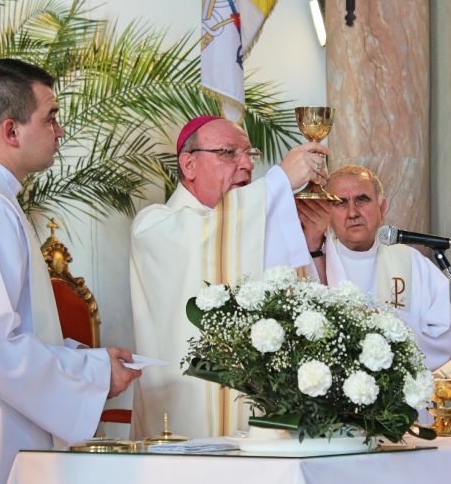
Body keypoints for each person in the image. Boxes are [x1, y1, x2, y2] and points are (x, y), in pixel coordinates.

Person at [0, 59, 141, 484]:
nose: (60, 130)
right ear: (11, 131)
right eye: (50, 117)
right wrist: (92, 373)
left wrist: (88, 361)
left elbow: (5, 332)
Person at [130, 116, 329, 439]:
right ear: (189, 164)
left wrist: (309, 241)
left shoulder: (256, 226)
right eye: (228, 153)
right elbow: (203, 239)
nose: (246, 165)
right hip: (183, 421)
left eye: (250, 155)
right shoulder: (154, 225)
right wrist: (279, 180)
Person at [320, 165, 451, 370]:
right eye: (340, 203)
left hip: (401, 388)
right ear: (327, 213)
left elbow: (443, 333)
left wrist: (387, 325)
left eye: (362, 200)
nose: (352, 212)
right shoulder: (317, 263)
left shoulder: (411, 262)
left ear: (382, 208)